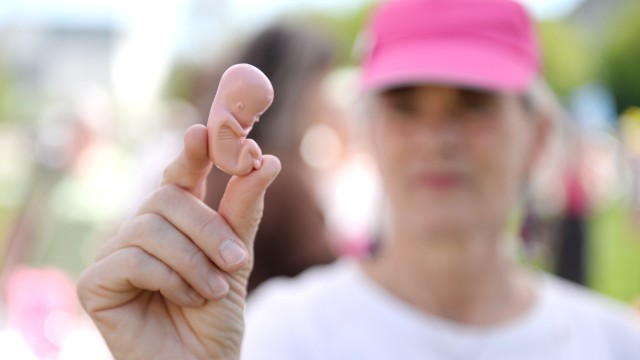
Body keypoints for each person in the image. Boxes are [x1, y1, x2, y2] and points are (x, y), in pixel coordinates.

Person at [77, 0, 640, 359]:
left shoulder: (615, 343)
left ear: (539, 135)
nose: (437, 136)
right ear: (367, 132)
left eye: (473, 104)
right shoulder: (278, 335)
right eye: (404, 105)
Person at [203, 23, 338, 293]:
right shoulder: (275, 178)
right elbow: (325, 275)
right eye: (321, 86)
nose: (327, 102)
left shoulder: (219, 167)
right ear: (296, 92)